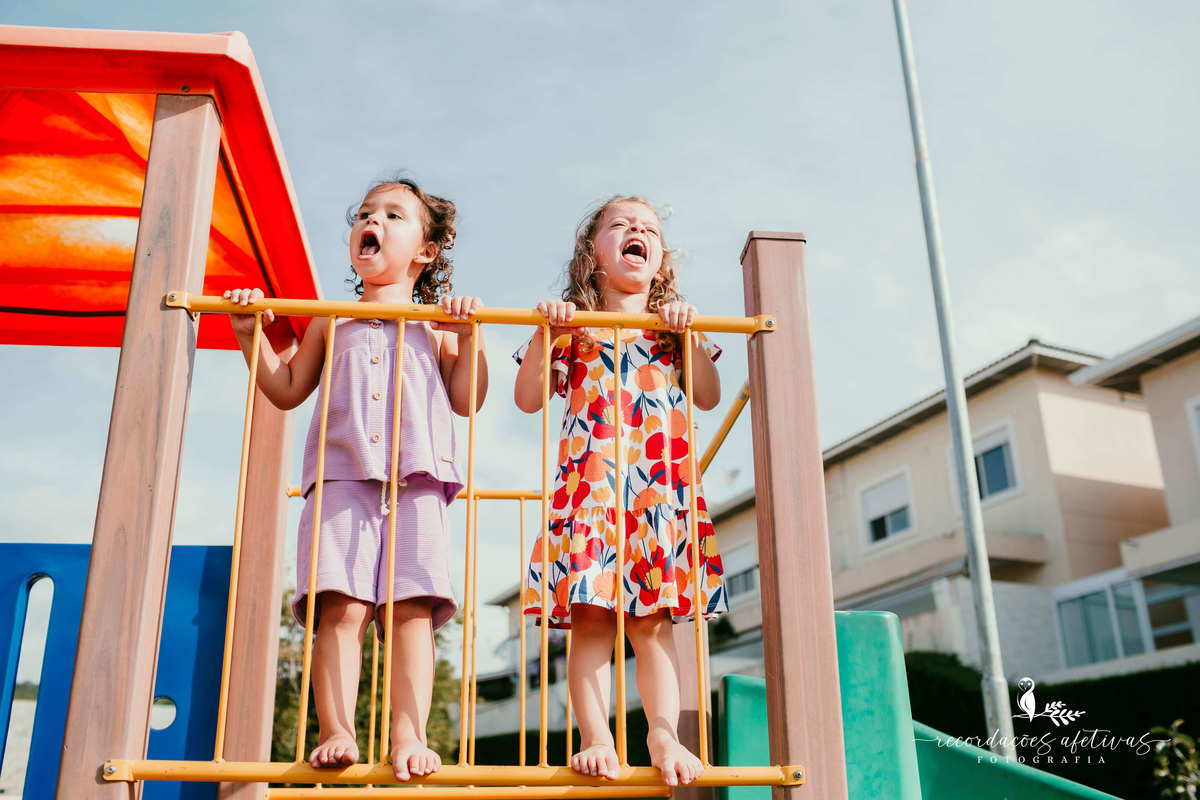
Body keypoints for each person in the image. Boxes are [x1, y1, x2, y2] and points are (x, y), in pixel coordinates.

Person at [225, 177, 487, 781]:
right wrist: (250, 336)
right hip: (342, 480)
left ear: (425, 251)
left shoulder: (437, 325)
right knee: (340, 609)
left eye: (395, 215)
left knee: (411, 611)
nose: (374, 220)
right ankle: (337, 728)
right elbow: (287, 389)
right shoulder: (330, 320)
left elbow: (468, 399)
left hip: (417, 482)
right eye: (366, 213)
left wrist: (471, 335)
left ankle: (407, 733)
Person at [512, 196, 726, 786]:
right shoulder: (573, 329)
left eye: (649, 229)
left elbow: (706, 394)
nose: (637, 231)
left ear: (658, 261)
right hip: (591, 496)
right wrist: (544, 334)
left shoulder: (672, 326)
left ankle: (663, 731)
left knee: (652, 624)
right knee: (591, 622)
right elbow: (528, 397)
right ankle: (597, 737)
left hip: (657, 495)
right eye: (621, 225)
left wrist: (690, 335)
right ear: (594, 255)